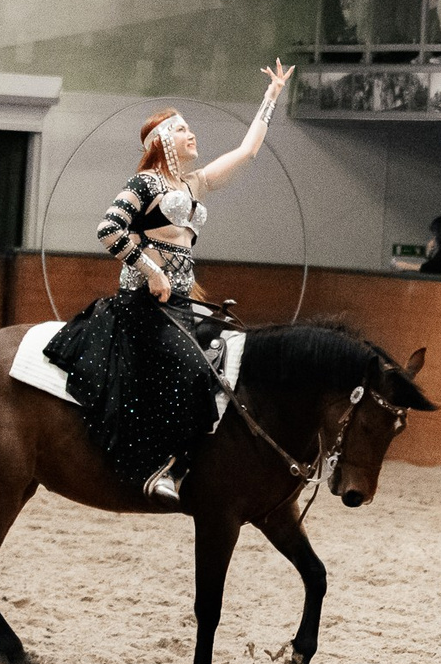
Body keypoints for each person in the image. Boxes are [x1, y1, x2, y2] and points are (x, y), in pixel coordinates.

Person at [42, 66, 287, 503]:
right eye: (181, 130)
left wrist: (271, 95)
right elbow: (109, 229)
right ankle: (164, 467)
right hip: (142, 302)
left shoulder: (195, 184)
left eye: (189, 128)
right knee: (190, 368)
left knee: (230, 354)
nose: (191, 134)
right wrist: (152, 272)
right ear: (161, 142)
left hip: (180, 302)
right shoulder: (144, 183)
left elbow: (247, 150)